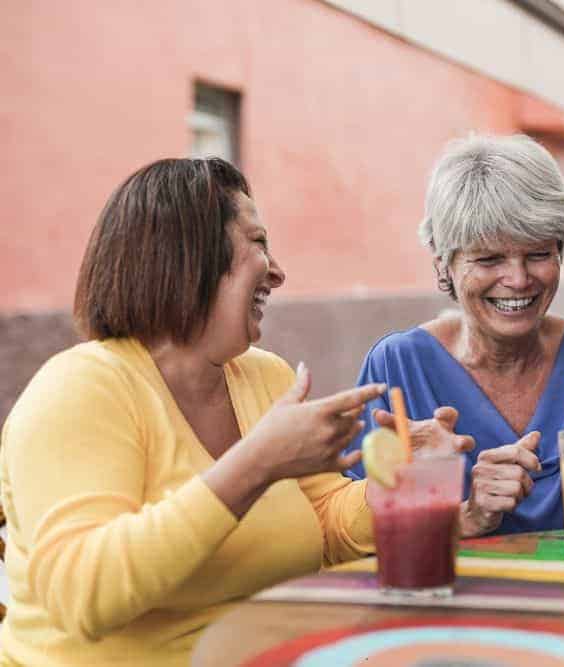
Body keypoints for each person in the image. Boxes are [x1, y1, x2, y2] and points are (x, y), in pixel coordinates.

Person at [0, 158, 460, 666]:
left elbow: (323, 527)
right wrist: (258, 463)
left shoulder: (265, 376)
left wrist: (401, 485)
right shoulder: (80, 389)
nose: (278, 270)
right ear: (186, 255)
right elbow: (82, 596)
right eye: (258, 243)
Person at [343, 134, 564, 537]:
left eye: (538, 254)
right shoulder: (398, 365)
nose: (518, 279)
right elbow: (353, 534)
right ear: (443, 264)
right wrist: (466, 513)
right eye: (490, 259)